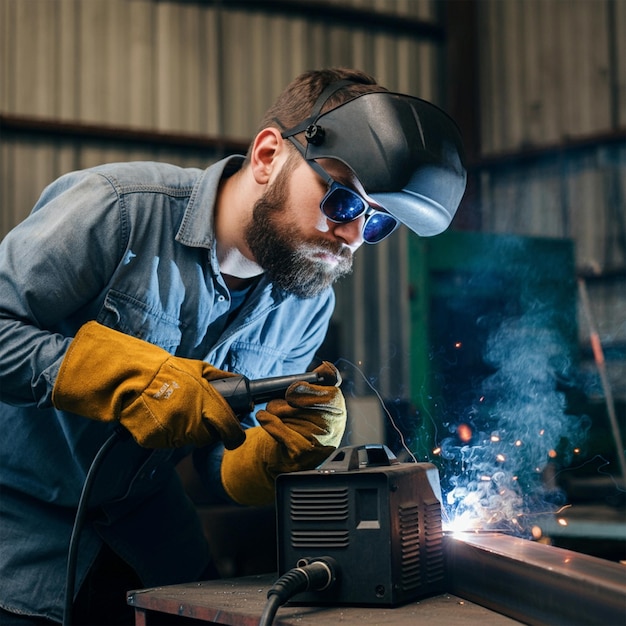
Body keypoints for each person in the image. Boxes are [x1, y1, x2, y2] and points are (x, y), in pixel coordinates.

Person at [0, 68, 466, 625]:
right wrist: (117, 378)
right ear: (269, 155)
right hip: (19, 521)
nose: (352, 237)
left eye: (377, 224)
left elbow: (219, 458)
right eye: (343, 202)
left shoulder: (307, 303)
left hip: (145, 530)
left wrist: (271, 456)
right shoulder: (119, 211)